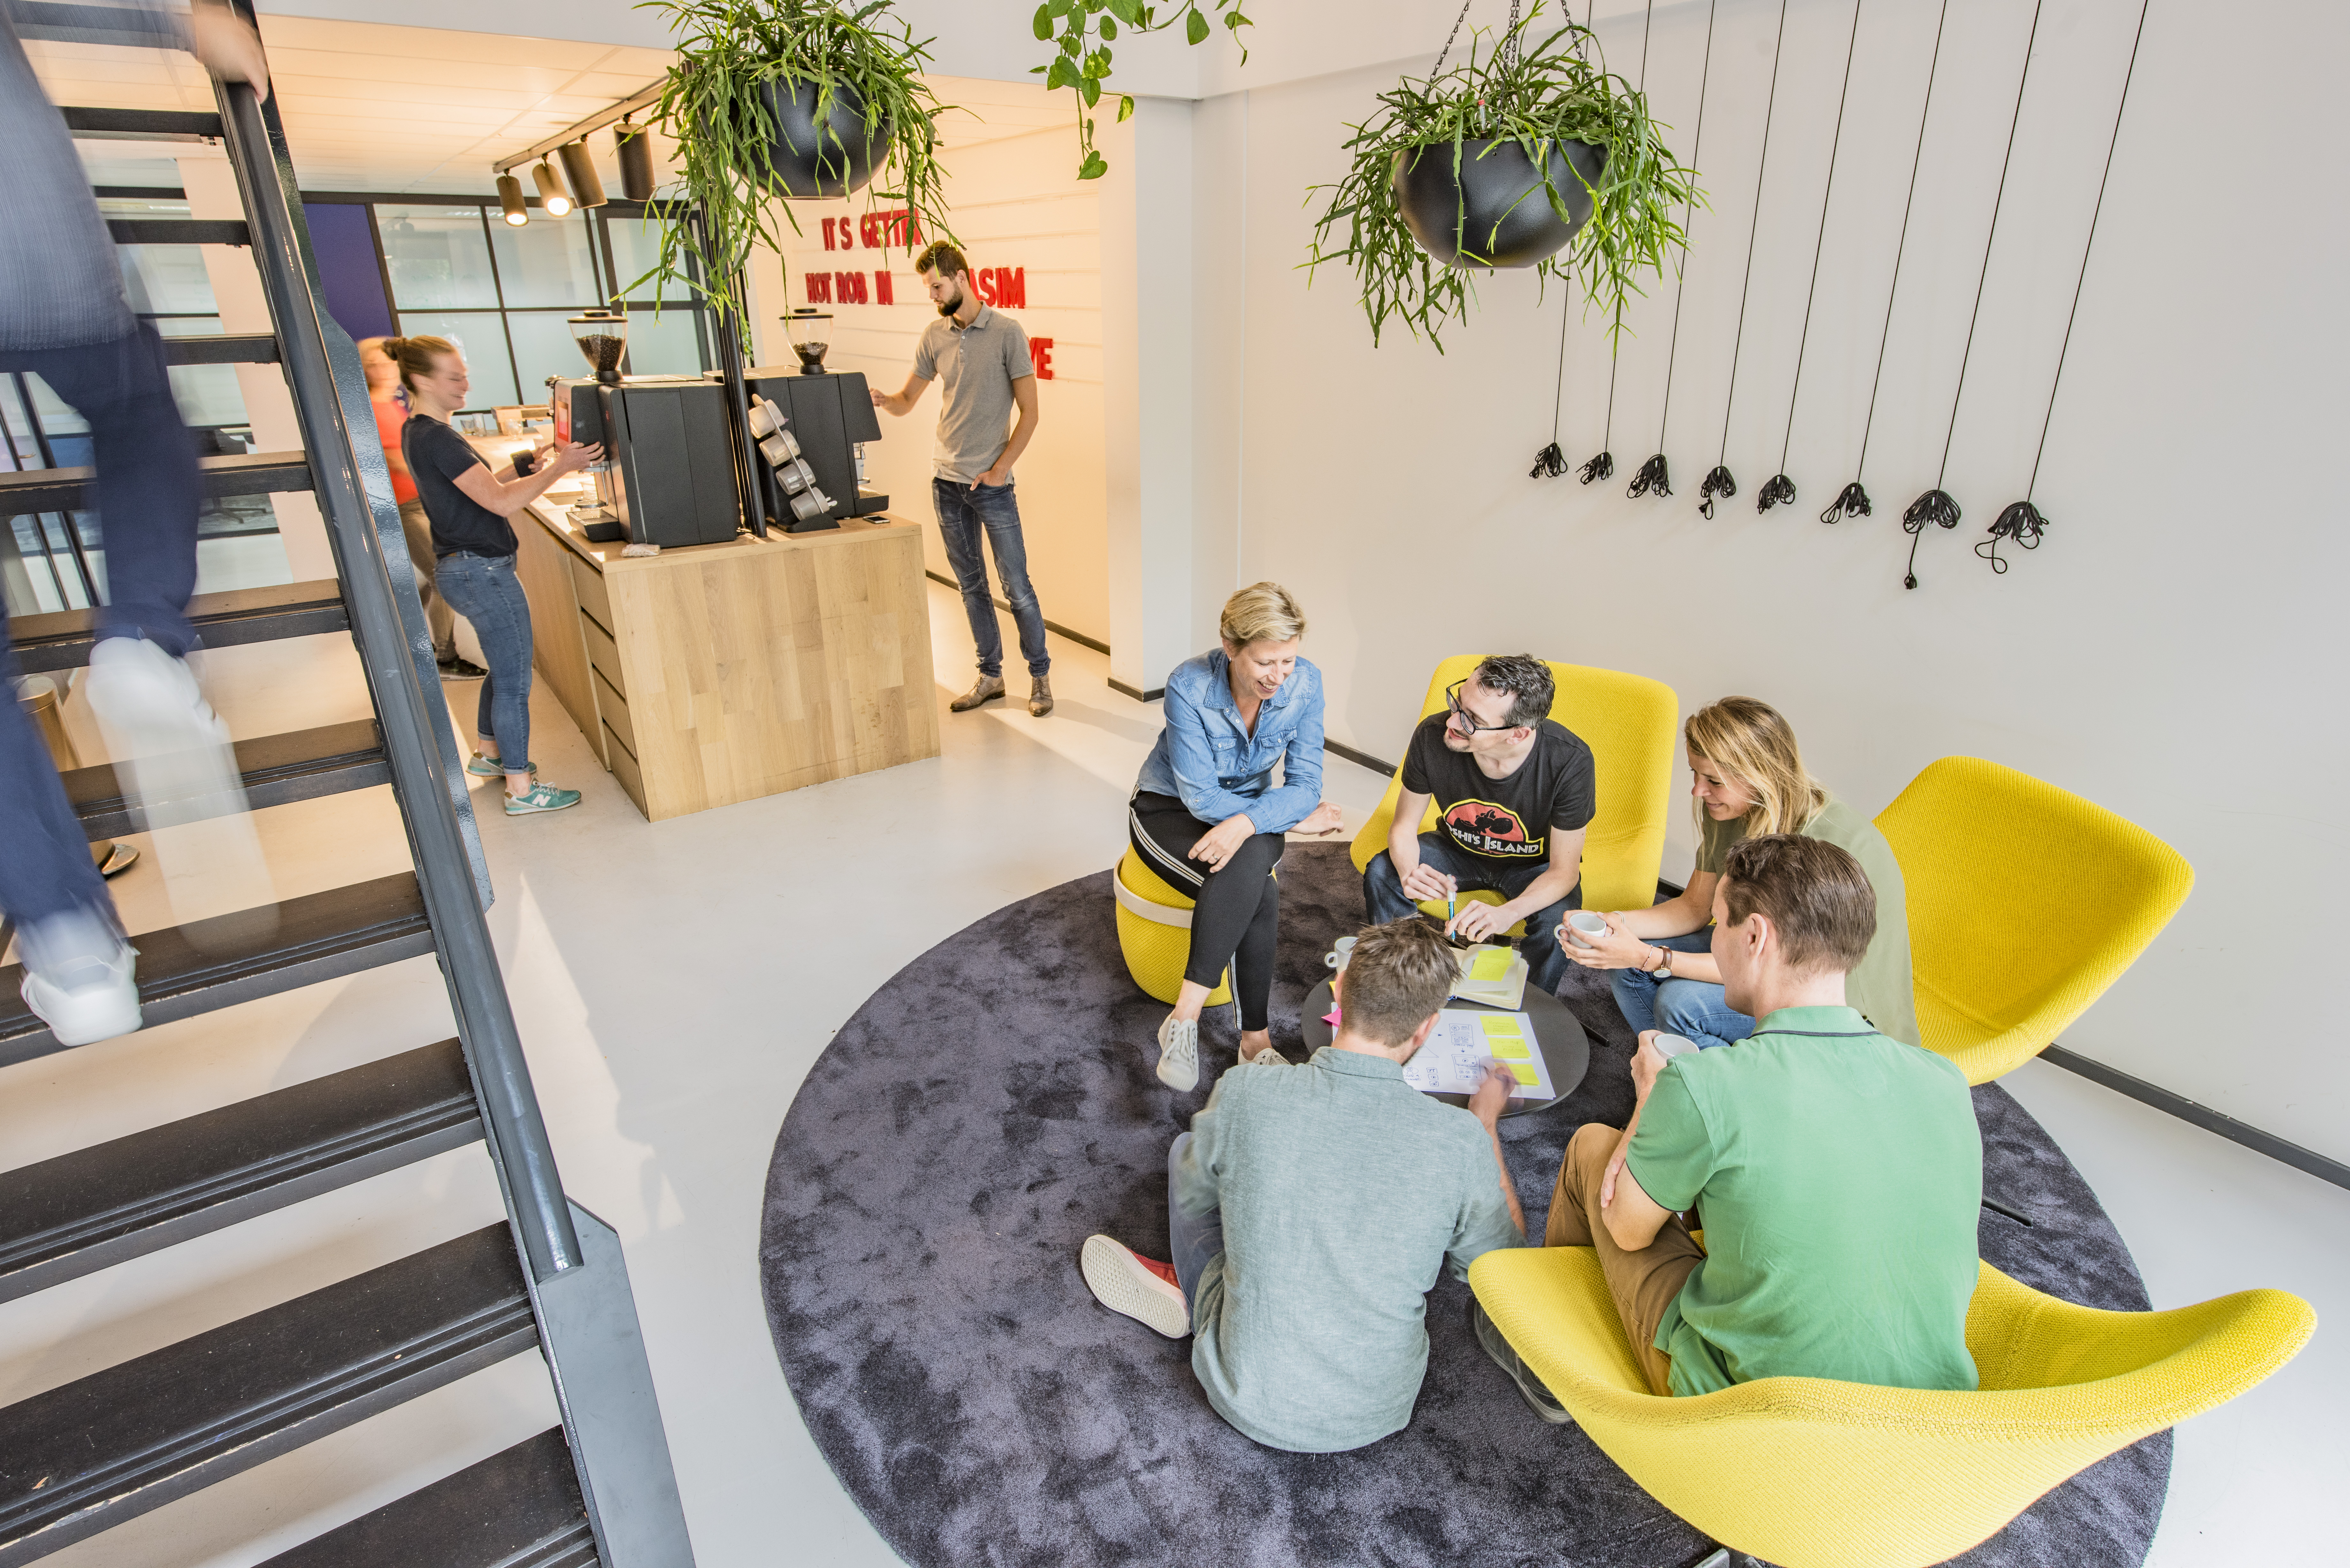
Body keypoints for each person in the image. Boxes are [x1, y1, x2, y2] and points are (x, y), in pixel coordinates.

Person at [1475, 833, 1979, 1420]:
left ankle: (1546, 1363)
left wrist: (1650, 1099)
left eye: (1717, 924)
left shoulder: (1709, 1083)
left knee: (1592, 1146)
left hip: (1753, 1410)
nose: (1714, 940)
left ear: (1755, 936)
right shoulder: (1945, 1081)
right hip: (1928, 1420)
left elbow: (1627, 1229)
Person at [1, 0, 272, 1045]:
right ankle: (140, 634)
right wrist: (187, 23)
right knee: (131, 409)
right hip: (25, 242)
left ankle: (69, 943)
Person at [1080, 918, 1526, 1453]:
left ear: (1338, 991)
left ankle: (1196, 1298)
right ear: (1427, 1028)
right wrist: (1485, 1124)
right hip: (1376, 1410)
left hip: (1241, 1388)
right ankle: (1202, 1296)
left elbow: (1198, 1198)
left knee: (1186, 1154)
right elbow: (1498, 1268)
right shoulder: (1461, 1141)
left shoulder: (1245, 1089)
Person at [1560, 695, 1919, 1050]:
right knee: (1628, 964)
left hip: (1835, 1004)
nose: (1698, 790)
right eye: (1695, 773)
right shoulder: (1727, 809)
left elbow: (1782, 969)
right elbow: (1694, 907)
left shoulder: (1825, 847)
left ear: (1761, 774)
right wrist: (1612, 924)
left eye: (1714, 781)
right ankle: (1672, 1066)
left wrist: (1647, 956)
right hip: (1760, 954)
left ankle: (1715, 1079)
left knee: (1680, 1002)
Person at [1128, 583, 1342, 1091]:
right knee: (1259, 888)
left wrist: (1252, 821)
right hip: (1169, 808)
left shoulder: (1306, 683)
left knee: (1251, 863)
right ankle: (1251, 1040)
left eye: (1288, 660)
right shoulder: (1189, 685)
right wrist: (1288, 819)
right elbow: (1201, 798)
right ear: (1230, 647)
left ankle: (1186, 1018)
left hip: (1253, 814)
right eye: (1265, 662)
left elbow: (1306, 785)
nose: (1279, 676)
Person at [383, 335, 598, 817]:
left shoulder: (420, 431)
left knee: (504, 667)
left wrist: (524, 466)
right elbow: (500, 504)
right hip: (481, 571)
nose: (465, 385)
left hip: (464, 568)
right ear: (421, 380)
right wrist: (561, 467)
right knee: (515, 680)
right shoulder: (438, 437)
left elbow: (478, 490)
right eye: (454, 377)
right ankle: (522, 789)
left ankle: (489, 754)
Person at [870, 240, 1050, 718]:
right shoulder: (935, 336)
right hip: (946, 483)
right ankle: (991, 676)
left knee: (1017, 586)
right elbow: (907, 400)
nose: (932, 296)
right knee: (971, 586)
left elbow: (1031, 413)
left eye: (936, 287)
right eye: (929, 289)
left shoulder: (1008, 333)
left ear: (961, 278)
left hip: (991, 487)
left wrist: (1000, 471)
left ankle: (1040, 677)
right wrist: (884, 401)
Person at [1362, 654, 1594, 999]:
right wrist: (1410, 872)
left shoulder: (1569, 761)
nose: (1453, 721)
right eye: (1458, 703)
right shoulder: (1432, 735)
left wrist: (1508, 914)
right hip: (1456, 849)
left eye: (1473, 720)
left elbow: (1564, 872)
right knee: (1384, 872)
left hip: (1533, 866)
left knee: (1558, 922)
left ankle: (1531, 1003)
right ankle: (1403, 981)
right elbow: (1403, 827)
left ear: (1517, 734)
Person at [356, 336, 479, 679]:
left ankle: (410, 638)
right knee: (444, 578)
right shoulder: (371, 410)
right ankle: (445, 658)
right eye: (373, 365)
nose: (383, 371)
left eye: (387, 364)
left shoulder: (394, 406)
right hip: (405, 508)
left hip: (420, 503)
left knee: (433, 576)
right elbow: (398, 461)